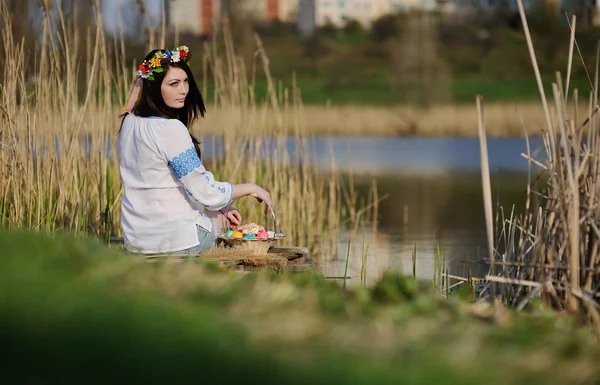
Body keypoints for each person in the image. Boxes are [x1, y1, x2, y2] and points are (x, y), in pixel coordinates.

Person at [117, 45, 272, 255]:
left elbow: (173, 183)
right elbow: (205, 192)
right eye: (173, 84)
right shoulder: (170, 128)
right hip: (178, 242)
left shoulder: (129, 123)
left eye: (185, 81)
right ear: (153, 88)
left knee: (221, 209)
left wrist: (223, 204)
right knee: (224, 219)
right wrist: (252, 188)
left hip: (138, 242)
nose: (183, 90)